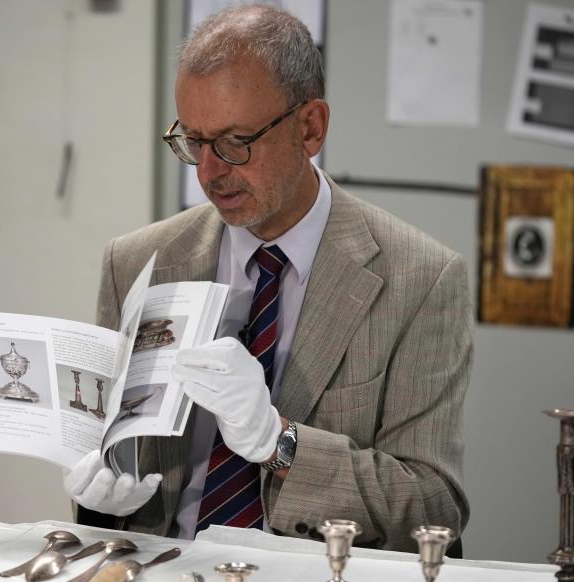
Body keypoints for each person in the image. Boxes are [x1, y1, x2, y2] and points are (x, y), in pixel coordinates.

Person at [63, 4, 473, 553]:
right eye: (193, 141)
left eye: (235, 142)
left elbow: (431, 507)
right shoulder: (138, 262)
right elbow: (113, 465)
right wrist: (100, 503)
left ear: (311, 128)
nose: (210, 172)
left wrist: (278, 442)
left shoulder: (420, 280)